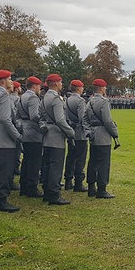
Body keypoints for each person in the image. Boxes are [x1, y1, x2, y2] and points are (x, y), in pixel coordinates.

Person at [0, 69, 22, 212]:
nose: (11, 81)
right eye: (9, 78)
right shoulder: (3, 96)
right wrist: (17, 136)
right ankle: (1, 201)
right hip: (4, 137)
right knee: (4, 170)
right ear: (3, 81)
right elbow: (6, 119)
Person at [40, 73, 75, 205]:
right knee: (56, 166)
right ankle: (54, 194)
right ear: (55, 83)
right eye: (60, 82)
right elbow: (60, 119)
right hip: (56, 136)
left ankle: (47, 192)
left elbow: (41, 118)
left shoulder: (44, 98)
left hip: (47, 135)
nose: (62, 84)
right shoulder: (56, 99)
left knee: (47, 165)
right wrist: (70, 132)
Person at [83, 78, 119, 199]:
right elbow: (107, 121)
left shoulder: (89, 101)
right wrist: (115, 132)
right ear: (102, 88)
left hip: (93, 134)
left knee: (93, 161)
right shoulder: (104, 102)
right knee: (104, 163)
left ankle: (91, 187)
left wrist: (88, 131)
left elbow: (85, 119)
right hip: (103, 134)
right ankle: (102, 189)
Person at [17, 76, 44, 198]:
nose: (40, 88)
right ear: (34, 86)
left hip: (24, 129)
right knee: (34, 161)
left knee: (27, 160)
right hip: (33, 131)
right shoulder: (33, 97)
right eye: (39, 86)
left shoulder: (22, 96)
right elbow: (34, 116)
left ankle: (24, 186)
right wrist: (44, 121)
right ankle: (32, 187)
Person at [64, 79, 89, 192]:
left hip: (70, 131)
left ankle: (68, 180)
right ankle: (78, 182)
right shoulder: (80, 101)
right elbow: (82, 118)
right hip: (80, 133)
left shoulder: (67, 100)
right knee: (80, 158)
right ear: (79, 88)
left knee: (71, 157)